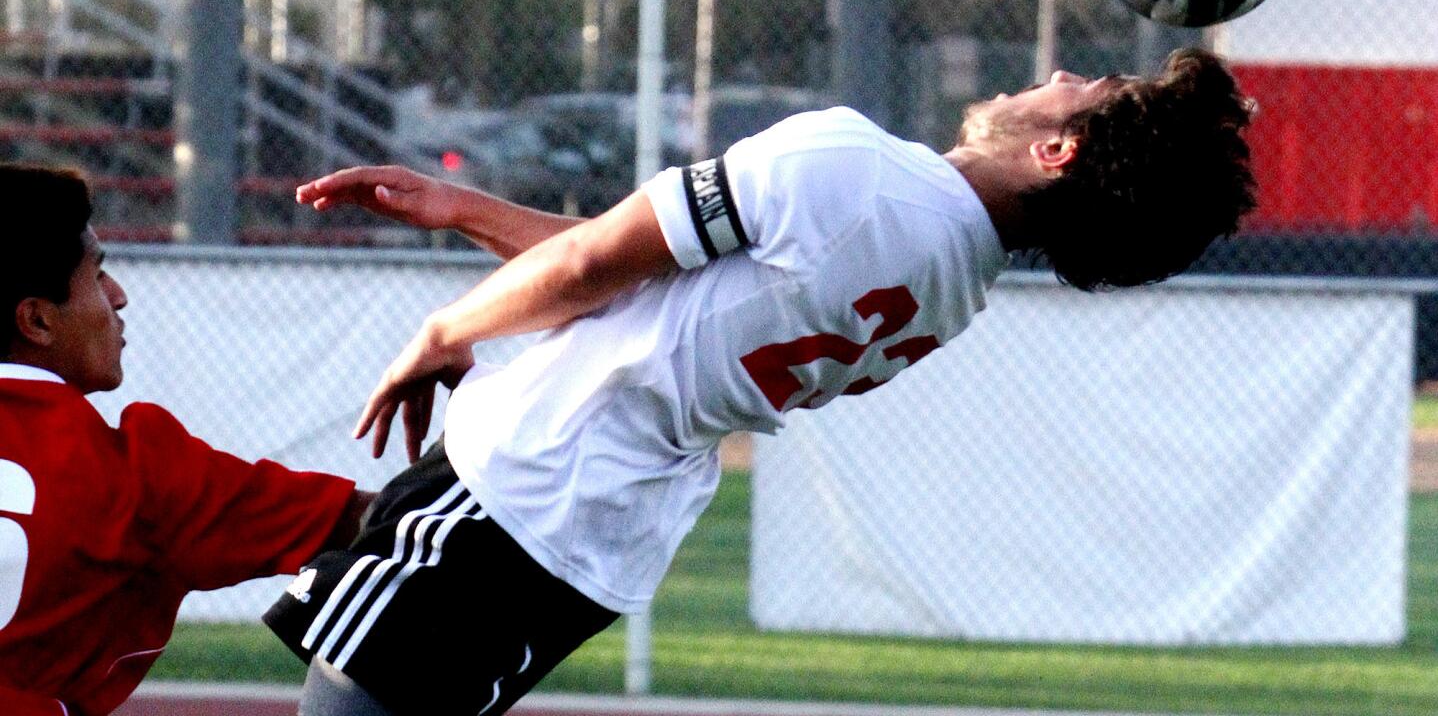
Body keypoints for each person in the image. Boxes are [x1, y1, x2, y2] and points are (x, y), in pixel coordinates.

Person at [265, 47, 1257, 716]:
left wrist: (445, 328)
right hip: (595, 536)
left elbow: (587, 272)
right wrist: (464, 208)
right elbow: (645, 277)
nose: (1055, 71)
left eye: (1076, 90)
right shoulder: (956, 283)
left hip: (521, 482)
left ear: (1055, 149)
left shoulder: (852, 166)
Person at [0, 164, 375, 716]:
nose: (119, 296)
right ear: (36, 321)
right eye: (98, 275)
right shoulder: (135, 471)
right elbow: (371, 523)